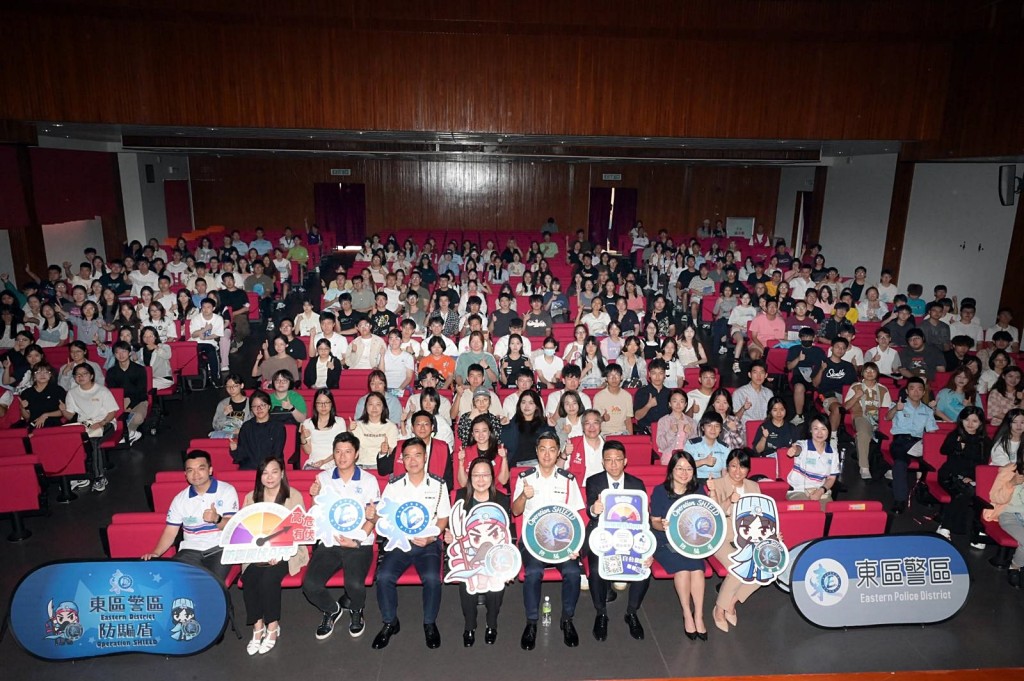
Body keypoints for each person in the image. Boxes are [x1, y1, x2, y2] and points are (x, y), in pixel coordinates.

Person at [372, 437, 451, 650]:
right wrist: (375, 517)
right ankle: (390, 622)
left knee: (432, 578)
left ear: (425, 457)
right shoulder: (394, 485)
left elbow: (443, 518)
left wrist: (432, 537)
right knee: (384, 577)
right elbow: (383, 515)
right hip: (400, 542)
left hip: (428, 543)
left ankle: (429, 623)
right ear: (402, 460)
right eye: (407, 456)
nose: (413, 460)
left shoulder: (438, 485)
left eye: (417, 455)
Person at [512, 430, 586, 650]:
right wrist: (524, 496)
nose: (546, 454)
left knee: (573, 572)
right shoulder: (525, 478)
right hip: (532, 543)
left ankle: (567, 619)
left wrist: (576, 547)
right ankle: (532, 622)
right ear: (536, 451)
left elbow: (577, 516)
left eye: (552, 449)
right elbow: (515, 512)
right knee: (533, 573)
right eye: (542, 449)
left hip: (562, 543)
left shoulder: (567, 479)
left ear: (558, 453)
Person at [303, 432, 381, 640]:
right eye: (338, 451)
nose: (342, 456)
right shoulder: (323, 478)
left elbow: (373, 518)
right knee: (310, 585)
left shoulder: (368, 480)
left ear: (356, 454)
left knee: (354, 584)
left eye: (347, 451)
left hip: (359, 543)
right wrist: (314, 497)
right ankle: (331, 609)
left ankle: (357, 610)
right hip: (330, 541)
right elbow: (317, 515)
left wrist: (356, 540)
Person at [585, 440, 651, 642]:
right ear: (603, 463)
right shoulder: (594, 481)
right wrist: (593, 510)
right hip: (601, 536)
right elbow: (591, 512)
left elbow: (643, 519)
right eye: (609, 460)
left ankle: (631, 612)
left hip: (630, 538)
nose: (613, 464)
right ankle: (601, 613)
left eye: (618, 460)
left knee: (644, 569)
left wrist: (647, 549)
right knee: (597, 570)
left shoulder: (636, 484)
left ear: (625, 461)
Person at [240, 457, 307, 655]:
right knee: (250, 577)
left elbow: (298, 530)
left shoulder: (293, 496)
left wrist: (279, 552)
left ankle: (272, 626)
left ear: (283, 473)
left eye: (274, 471)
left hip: (287, 551)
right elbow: (246, 530)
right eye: (265, 472)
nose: (269, 477)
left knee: (269, 578)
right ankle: (257, 626)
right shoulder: (250, 498)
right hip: (257, 551)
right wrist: (260, 551)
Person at [141, 450, 239, 582]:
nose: (196, 474)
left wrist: (217, 519)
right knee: (174, 580)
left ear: (210, 470)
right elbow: (170, 532)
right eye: (190, 470)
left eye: (201, 468)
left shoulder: (226, 490)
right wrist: (156, 553)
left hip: (219, 549)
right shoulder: (180, 499)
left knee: (211, 584)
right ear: (185, 474)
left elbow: (233, 527)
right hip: (190, 550)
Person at [445, 457, 511, 646]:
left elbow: (506, 535)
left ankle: (492, 624)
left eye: (485, 475)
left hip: (495, 555)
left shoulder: (501, 499)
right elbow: (454, 529)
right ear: (469, 477)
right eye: (476, 475)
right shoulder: (460, 497)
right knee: (467, 583)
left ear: (492, 476)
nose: (481, 480)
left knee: (496, 583)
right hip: (469, 554)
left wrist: (507, 565)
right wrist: (449, 536)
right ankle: (470, 625)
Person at [651, 450, 708, 640]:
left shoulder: (698, 490)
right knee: (683, 570)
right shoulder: (660, 491)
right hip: (665, 540)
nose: (684, 473)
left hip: (690, 541)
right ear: (671, 470)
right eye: (679, 468)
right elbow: (654, 522)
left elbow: (706, 518)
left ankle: (699, 615)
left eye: (689, 468)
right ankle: (687, 613)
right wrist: (663, 525)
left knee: (698, 571)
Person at [706, 448, 762, 633]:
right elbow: (712, 515)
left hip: (748, 538)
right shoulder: (717, 484)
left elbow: (762, 517)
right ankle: (719, 610)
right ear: (727, 466)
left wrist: (771, 535)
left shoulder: (754, 487)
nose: (738, 471)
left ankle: (731, 602)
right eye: (733, 466)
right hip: (721, 537)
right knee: (739, 569)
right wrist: (729, 500)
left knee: (764, 567)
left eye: (743, 467)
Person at [885, 377, 940, 514]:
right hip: (900, 440)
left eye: (919, 389)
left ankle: (925, 493)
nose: (916, 392)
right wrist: (896, 410)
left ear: (923, 393)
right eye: (912, 388)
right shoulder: (898, 405)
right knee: (899, 462)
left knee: (902, 462)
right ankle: (900, 500)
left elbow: (932, 432)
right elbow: (887, 417)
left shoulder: (927, 411)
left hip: (919, 441)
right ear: (907, 391)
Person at [935, 406, 991, 539]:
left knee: (972, 492)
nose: (970, 424)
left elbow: (982, 464)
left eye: (975, 421)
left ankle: (949, 526)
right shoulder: (955, 435)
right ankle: (947, 527)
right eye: (967, 420)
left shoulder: (985, 441)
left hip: (971, 477)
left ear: (981, 423)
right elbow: (943, 451)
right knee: (965, 491)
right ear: (961, 420)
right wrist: (957, 445)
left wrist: (971, 477)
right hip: (950, 475)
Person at [843, 362, 893, 479]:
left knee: (890, 434)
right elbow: (845, 407)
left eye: (873, 371)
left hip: (879, 419)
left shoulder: (883, 389)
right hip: (861, 416)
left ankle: (888, 467)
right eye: (867, 371)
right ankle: (864, 467)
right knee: (863, 433)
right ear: (862, 373)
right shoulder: (855, 387)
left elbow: (886, 411)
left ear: (877, 373)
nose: (870, 373)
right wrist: (856, 396)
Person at [785, 414, 840, 510]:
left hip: (821, 491)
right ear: (810, 430)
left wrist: (821, 491)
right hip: (798, 490)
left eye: (823, 429)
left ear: (828, 431)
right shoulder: (803, 444)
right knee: (808, 511)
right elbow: (798, 448)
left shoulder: (833, 452)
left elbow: (831, 478)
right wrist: (794, 450)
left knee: (828, 514)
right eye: (816, 428)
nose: (819, 433)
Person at [812, 338, 857, 443]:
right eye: (837, 347)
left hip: (845, 395)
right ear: (831, 348)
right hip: (826, 395)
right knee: (837, 408)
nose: (840, 350)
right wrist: (822, 370)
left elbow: (854, 384)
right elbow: (815, 384)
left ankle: (857, 435)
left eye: (843, 348)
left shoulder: (848, 366)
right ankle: (832, 437)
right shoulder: (823, 363)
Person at [230, 390, 287, 469]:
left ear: (269, 406)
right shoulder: (246, 427)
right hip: (249, 468)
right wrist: (234, 450)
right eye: (255, 406)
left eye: (262, 405)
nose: (259, 409)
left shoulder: (278, 427)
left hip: (270, 469)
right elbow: (241, 456)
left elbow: (277, 454)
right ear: (251, 409)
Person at [455, 415, 510, 491]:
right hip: (472, 493)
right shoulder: (465, 452)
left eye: (484, 431)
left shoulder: (500, 451)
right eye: (477, 431)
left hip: (495, 492)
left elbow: (503, 481)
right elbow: (463, 483)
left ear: (489, 432)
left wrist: (504, 458)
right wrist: (461, 462)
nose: (481, 435)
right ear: (472, 434)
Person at [786, 327, 826, 424]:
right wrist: (798, 359)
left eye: (809, 337)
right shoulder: (794, 349)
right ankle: (799, 415)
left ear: (813, 338)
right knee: (799, 387)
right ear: (800, 338)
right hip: (799, 377)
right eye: (804, 337)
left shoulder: (818, 351)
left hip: (816, 375)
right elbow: (788, 367)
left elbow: (824, 365)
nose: (806, 339)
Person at [300, 389, 347, 470]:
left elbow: (342, 448)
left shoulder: (339, 422)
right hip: (314, 463)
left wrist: (324, 461)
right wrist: (302, 437)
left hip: (335, 462)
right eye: (319, 403)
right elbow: (308, 451)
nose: (323, 406)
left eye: (327, 402)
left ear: (331, 404)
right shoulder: (307, 423)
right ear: (315, 404)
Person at [351, 391, 400, 468]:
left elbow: (393, 451)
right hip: (360, 465)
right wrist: (350, 431)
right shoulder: (358, 425)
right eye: (370, 404)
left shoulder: (391, 427)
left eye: (378, 404)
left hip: (381, 466)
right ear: (366, 407)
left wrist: (384, 451)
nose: (374, 408)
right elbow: (352, 448)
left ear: (383, 407)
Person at [655, 389, 697, 464]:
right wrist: (671, 432)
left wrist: (690, 433)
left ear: (685, 404)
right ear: (670, 404)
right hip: (668, 460)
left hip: (687, 459)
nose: (678, 404)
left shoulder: (692, 422)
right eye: (674, 401)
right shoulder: (663, 421)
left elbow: (696, 446)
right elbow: (661, 445)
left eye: (681, 401)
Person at [18, 364, 65, 429]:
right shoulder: (27, 393)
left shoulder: (58, 390)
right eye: (38, 372)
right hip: (34, 424)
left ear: (50, 375)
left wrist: (45, 415)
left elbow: (63, 412)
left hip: (53, 424)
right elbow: (27, 417)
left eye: (46, 372)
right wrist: (22, 408)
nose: (42, 375)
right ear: (34, 376)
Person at [633, 359, 671, 435]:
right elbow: (637, 416)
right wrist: (649, 405)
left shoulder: (670, 393)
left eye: (660, 373)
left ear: (664, 375)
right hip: (645, 433)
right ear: (649, 374)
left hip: (666, 432)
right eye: (654, 373)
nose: (657, 377)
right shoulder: (641, 392)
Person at [731, 361, 773, 426]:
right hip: (745, 430)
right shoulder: (739, 393)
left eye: (762, 373)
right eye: (755, 372)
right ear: (749, 375)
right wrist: (743, 408)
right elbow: (734, 419)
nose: (759, 376)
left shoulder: (769, 393)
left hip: (764, 429)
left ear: (766, 375)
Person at [210, 373, 250, 439]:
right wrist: (223, 415)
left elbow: (256, 423)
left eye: (235, 386)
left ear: (241, 386)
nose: (231, 389)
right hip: (226, 435)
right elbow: (215, 426)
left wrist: (242, 430)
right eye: (228, 386)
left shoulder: (250, 403)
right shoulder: (223, 404)